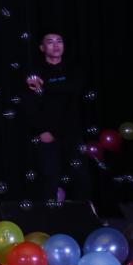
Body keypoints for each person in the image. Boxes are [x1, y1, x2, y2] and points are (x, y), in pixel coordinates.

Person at [25, 31, 91, 202]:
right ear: (42, 47)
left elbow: (74, 87)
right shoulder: (35, 72)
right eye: (50, 42)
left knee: (80, 176)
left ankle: (82, 214)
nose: (56, 45)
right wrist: (42, 130)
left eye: (59, 41)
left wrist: (45, 86)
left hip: (72, 131)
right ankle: (49, 214)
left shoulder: (73, 69)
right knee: (49, 177)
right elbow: (30, 105)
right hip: (48, 133)